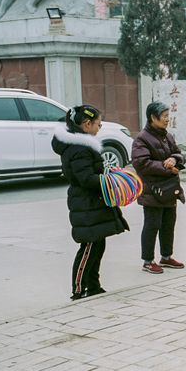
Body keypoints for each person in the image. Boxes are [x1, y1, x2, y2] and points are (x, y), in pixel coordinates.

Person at [52, 104, 129, 300]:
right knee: (88, 247)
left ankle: (94, 286)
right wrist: (109, 181)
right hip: (85, 203)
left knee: (98, 244)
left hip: (92, 202)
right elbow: (85, 179)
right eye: (98, 124)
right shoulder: (80, 148)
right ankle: (78, 290)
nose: (99, 128)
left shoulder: (82, 145)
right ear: (86, 124)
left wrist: (107, 175)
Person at [132, 102, 186, 274]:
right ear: (152, 118)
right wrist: (167, 167)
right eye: (164, 116)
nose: (167, 119)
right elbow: (142, 163)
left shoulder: (167, 136)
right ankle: (148, 261)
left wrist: (175, 159)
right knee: (152, 225)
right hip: (152, 190)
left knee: (168, 224)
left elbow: (179, 153)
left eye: (167, 116)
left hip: (170, 188)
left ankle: (166, 256)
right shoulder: (142, 138)